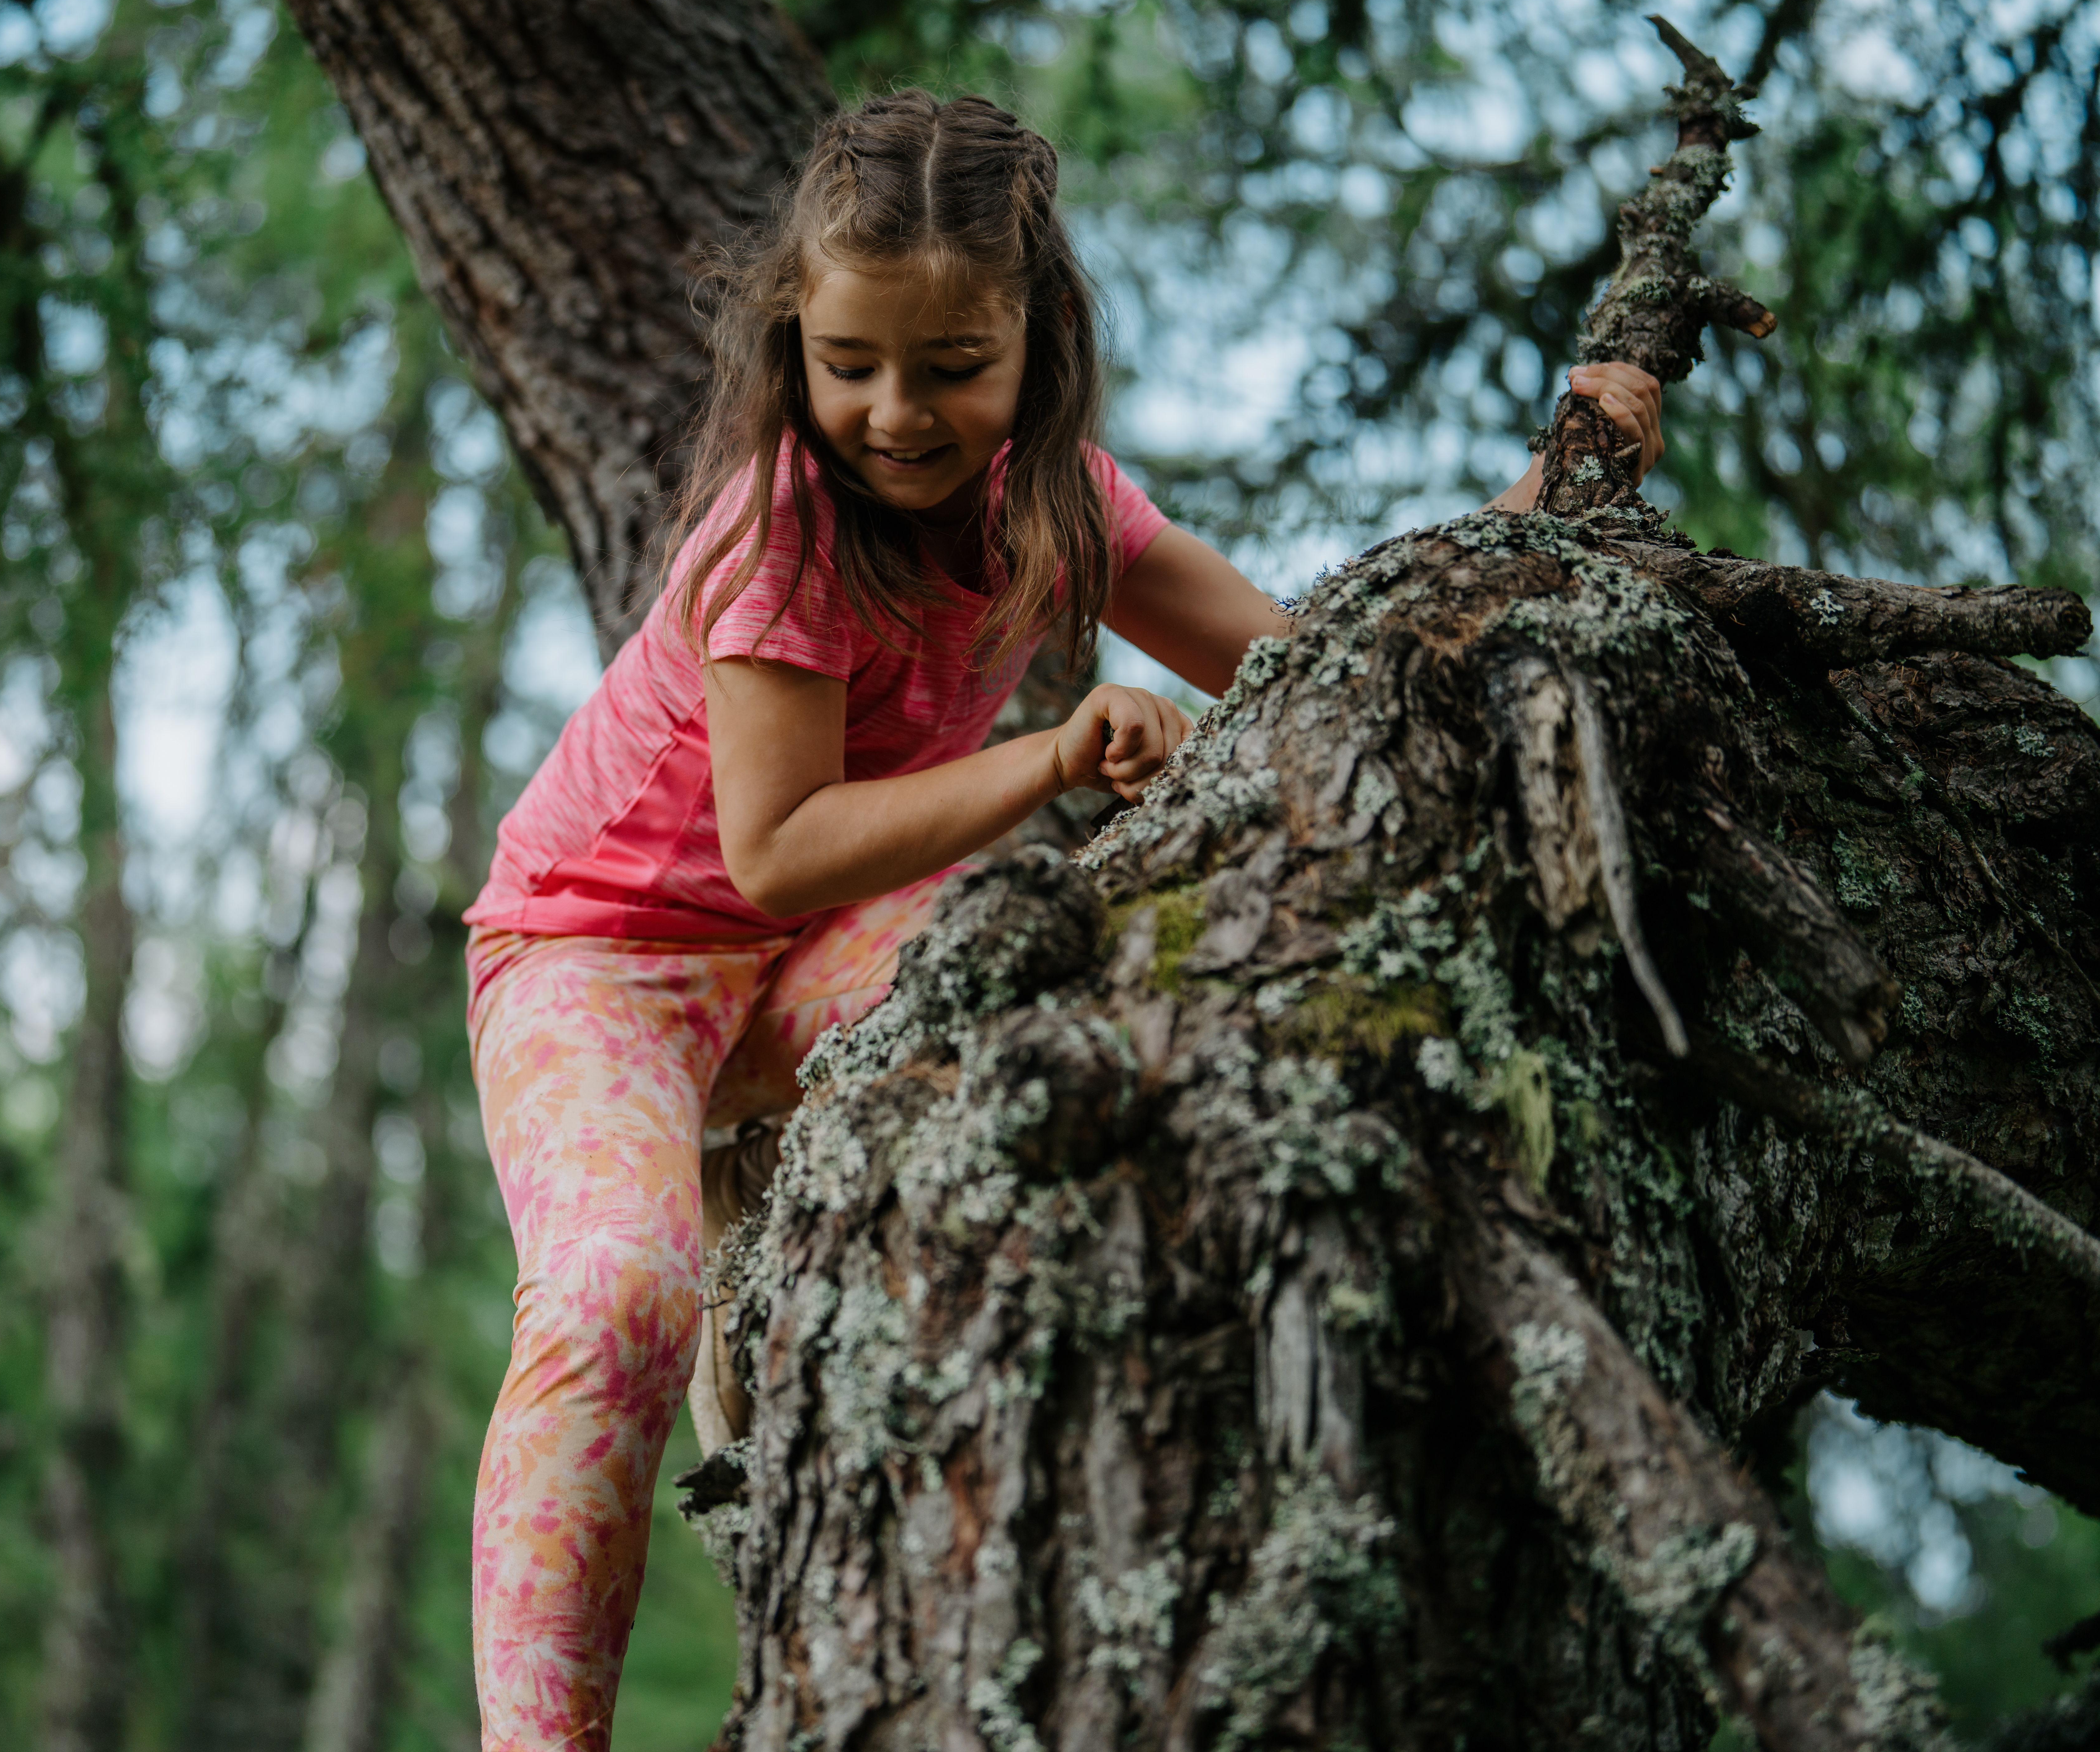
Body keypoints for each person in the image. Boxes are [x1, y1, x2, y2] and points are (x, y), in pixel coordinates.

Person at [456, 88, 1665, 1749]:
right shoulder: (781, 528)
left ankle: (785, 1204)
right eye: (851, 364)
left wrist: (1533, 516)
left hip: (817, 963)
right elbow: (785, 844)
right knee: (612, 1300)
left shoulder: (1066, 508)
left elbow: (1308, 672)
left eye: (954, 367)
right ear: (798, 343)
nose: (896, 412)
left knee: (1095, 932)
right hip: (605, 957)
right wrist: (1048, 755)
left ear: (1041, 343)